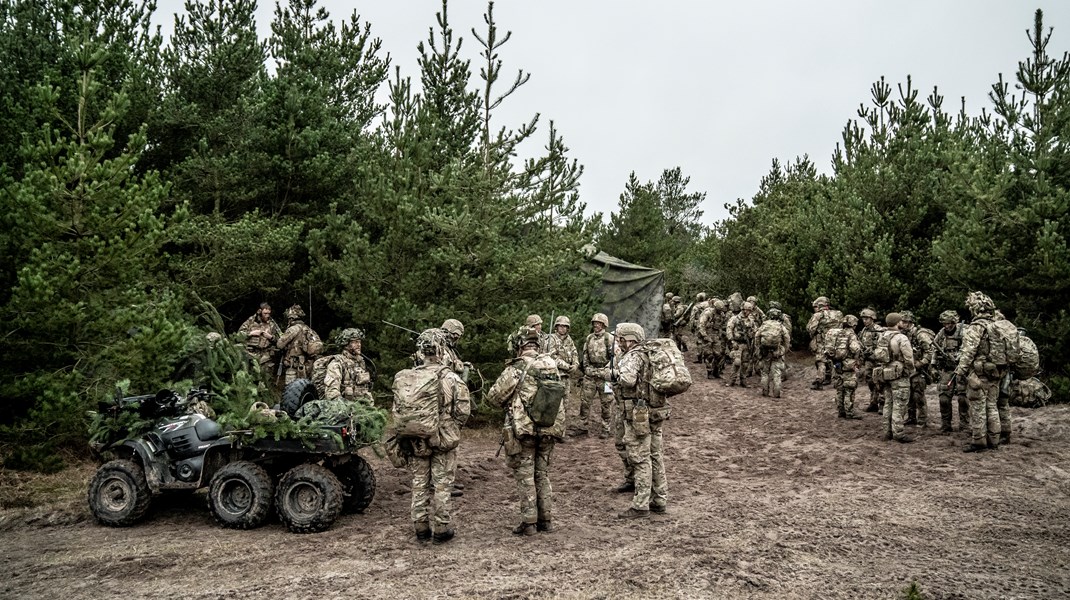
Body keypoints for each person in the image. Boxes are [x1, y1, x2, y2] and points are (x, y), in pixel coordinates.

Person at [485, 326, 566, 535]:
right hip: (549, 428)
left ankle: (529, 522)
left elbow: (494, 397)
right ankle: (546, 520)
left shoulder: (517, 368)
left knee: (525, 475)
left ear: (518, 345)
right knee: (542, 474)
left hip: (525, 431)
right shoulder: (551, 364)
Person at [395, 329, 471, 544]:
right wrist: (451, 427)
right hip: (443, 440)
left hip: (416, 439)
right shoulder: (451, 378)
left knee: (419, 483)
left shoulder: (410, 377)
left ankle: (420, 527)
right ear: (441, 352)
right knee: (442, 485)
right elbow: (463, 411)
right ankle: (441, 529)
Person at [588, 323, 669, 518]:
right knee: (655, 455)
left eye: (621, 339)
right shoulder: (649, 353)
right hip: (655, 412)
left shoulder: (633, 356)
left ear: (629, 339)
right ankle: (659, 499)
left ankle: (641, 504)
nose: (619, 342)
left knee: (640, 457)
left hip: (638, 414)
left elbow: (628, 380)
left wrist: (611, 373)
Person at [953, 292, 1008, 453]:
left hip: (979, 373)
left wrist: (960, 370)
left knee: (977, 406)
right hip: (996, 372)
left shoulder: (977, 327)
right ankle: (994, 440)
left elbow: (969, 351)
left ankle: (979, 441)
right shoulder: (998, 325)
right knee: (992, 405)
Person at [875, 312, 915, 443]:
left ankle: (887, 432)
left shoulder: (882, 336)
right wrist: (911, 370)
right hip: (899, 375)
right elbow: (909, 358)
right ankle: (898, 433)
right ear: (898, 323)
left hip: (885, 374)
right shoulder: (901, 338)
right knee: (900, 404)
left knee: (888, 403)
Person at [578, 313, 615, 438]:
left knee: (606, 403)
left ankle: (606, 428)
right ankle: (583, 427)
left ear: (604, 324)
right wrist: (587, 369)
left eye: (599, 323)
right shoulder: (589, 338)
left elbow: (614, 357)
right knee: (585, 402)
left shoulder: (609, 338)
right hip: (591, 375)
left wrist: (606, 370)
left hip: (605, 377)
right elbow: (585, 355)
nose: (596, 325)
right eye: (594, 323)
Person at [931, 310, 968, 433]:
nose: (946, 326)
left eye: (949, 323)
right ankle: (946, 425)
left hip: (962, 369)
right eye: (944, 323)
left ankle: (965, 425)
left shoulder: (964, 331)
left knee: (963, 398)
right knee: (944, 398)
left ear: (954, 322)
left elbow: (970, 348)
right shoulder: (941, 333)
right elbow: (935, 348)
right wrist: (933, 364)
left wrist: (959, 357)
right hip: (947, 369)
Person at [898, 311, 935, 428]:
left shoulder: (920, 335)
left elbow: (930, 352)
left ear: (910, 323)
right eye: (901, 321)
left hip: (919, 370)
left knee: (918, 395)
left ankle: (922, 420)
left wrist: (921, 363)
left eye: (904, 322)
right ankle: (911, 417)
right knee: (909, 395)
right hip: (909, 369)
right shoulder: (904, 334)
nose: (902, 324)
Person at [823, 313, 863, 418]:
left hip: (836, 364)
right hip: (848, 365)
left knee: (839, 388)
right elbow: (855, 348)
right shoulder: (851, 334)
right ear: (853, 325)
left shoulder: (835, 333)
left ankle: (841, 411)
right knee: (849, 389)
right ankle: (849, 412)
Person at [545, 316, 579, 434]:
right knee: (554, 405)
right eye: (560, 326)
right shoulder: (551, 339)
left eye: (565, 326)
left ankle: (561, 432)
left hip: (566, 377)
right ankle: (552, 430)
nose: (563, 328)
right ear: (556, 327)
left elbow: (575, 353)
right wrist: (566, 366)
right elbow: (551, 356)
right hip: (556, 376)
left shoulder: (569, 340)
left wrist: (575, 365)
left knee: (565, 404)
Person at [323, 328, 374, 406]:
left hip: (363, 409)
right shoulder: (337, 363)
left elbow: (366, 390)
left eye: (359, 342)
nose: (359, 345)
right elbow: (332, 393)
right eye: (355, 342)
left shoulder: (361, 362)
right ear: (346, 344)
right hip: (346, 410)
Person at [276, 305, 322, 385]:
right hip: (308, 366)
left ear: (291, 319)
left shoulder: (293, 329)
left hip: (293, 366)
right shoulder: (309, 330)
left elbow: (279, 345)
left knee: (291, 391)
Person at [753, 307, 791, 398]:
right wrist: (784, 350)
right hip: (777, 351)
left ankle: (765, 392)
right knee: (777, 373)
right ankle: (777, 392)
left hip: (764, 351)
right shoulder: (781, 326)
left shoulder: (764, 325)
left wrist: (758, 348)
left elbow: (757, 336)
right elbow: (787, 339)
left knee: (765, 372)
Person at [238, 302, 282, 375]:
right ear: (259, 311)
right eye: (265, 313)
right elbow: (239, 335)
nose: (267, 316)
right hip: (251, 355)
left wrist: (270, 337)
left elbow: (280, 340)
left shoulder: (272, 324)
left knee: (266, 379)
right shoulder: (250, 321)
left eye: (269, 313)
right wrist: (251, 333)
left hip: (266, 357)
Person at [725, 301, 759, 387]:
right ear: (743, 310)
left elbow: (755, 330)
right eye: (747, 310)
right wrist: (732, 341)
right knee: (737, 363)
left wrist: (754, 335)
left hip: (747, 344)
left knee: (745, 364)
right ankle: (732, 380)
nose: (749, 312)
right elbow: (729, 330)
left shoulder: (751, 320)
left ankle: (743, 381)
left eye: (750, 311)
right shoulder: (735, 319)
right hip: (737, 343)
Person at [858, 308, 885, 413]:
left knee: (880, 381)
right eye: (863, 319)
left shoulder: (878, 329)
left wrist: (874, 352)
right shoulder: (864, 331)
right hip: (868, 360)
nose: (864, 321)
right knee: (870, 381)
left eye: (867, 318)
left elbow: (882, 344)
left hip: (878, 360)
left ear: (872, 318)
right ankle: (873, 402)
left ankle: (882, 404)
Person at [806, 296, 835, 389]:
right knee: (831, 359)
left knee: (820, 361)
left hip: (821, 341)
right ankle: (830, 378)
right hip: (834, 341)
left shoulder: (818, 315)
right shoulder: (837, 314)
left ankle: (819, 381)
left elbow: (811, 328)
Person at [697, 299, 728, 379]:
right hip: (707, 335)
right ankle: (709, 372)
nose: (720, 311)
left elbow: (723, 325)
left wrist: (722, 334)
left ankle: (716, 372)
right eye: (719, 309)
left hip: (716, 336)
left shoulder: (722, 314)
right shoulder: (708, 313)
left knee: (718, 355)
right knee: (709, 355)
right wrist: (705, 336)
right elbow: (701, 325)